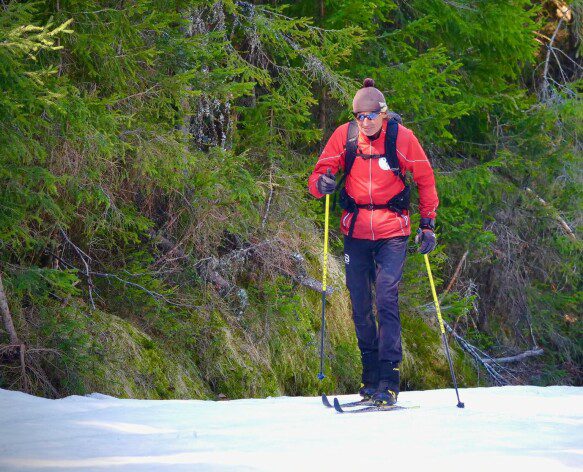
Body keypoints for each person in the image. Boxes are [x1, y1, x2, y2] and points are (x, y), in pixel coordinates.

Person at [308, 78, 439, 406]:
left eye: (370, 116)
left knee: (386, 298)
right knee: (360, 305)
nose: (364, 122)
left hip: (393, 231)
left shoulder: (401, 138)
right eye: (359, 116)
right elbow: (319, 174)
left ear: (383, 113)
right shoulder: (345, 136)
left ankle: (389, 379)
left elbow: (425, 179)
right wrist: (321, 183)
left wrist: (428, 225)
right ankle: (369, 379)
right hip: (356, 232)